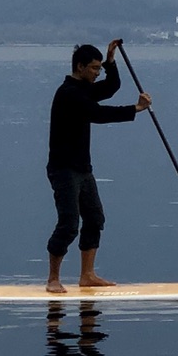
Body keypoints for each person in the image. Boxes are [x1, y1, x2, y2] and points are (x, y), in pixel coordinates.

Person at [46, 38, 151, 293]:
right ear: (80, 67)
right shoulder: (69, 94)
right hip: (63, 169)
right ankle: (53, 279)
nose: (97, 73)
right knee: (69, 224)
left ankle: (87, 275)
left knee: (94, 219)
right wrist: (135, 109)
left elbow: (112, 86)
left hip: (83, 168)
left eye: (98, 69)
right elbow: (97, 114)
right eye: (94, 69)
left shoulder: (84, 89)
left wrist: (111, 61)